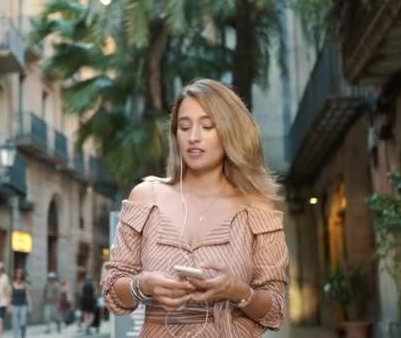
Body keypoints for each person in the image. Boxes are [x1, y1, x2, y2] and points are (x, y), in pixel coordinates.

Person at [101, 79, 288, 337]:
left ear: (229, 131)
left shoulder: (257, 207)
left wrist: (238, 292)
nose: (193, 137)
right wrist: (142, 285)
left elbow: (275, 310)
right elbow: (112, 292)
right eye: (184, 127)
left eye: (207, 126)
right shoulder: (146, 197)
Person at [9, 268, 32, 338]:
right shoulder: (12, 284)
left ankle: (23, 334)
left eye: (20, 273)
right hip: (14, 305)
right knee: (15, 323)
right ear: (15, 275)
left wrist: (30, 306)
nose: (19, 275)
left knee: (23, 322)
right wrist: (9, 306)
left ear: (22, 275)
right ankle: (15, 336)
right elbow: (10, 296)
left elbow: (28, 296)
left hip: (23, 305)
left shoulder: (25, 285)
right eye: (18, 273)